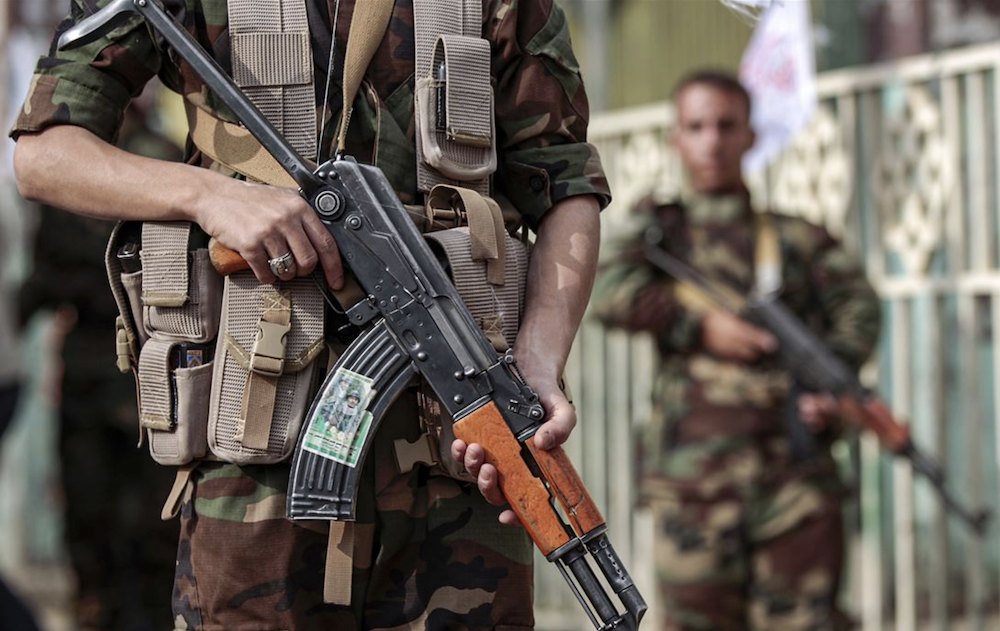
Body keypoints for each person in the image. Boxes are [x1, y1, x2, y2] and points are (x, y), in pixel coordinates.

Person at [11, 2, 608, 630]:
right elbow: (45, 155)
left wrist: (540, 361)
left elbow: (565, 185)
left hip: (458, 455)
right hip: (255, 456)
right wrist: (210, 196)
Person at [592, 70, 880, 630]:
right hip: (693, 486)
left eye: (727, 125)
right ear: (676, 137)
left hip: (794, 484)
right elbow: (603, 292)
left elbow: (860, 307)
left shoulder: (797, 239)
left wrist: (828, 378)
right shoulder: (662, 237)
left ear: (751, 135)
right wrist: (698, 327)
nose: (712, 141)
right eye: (696, 127)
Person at [17, 100, 182, 630]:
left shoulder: (157, 162)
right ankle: (103, 607)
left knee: (146, 517)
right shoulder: (66, 170)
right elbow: (44, 272)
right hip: (101, 369)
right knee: (92, 508)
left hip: (144, 372)